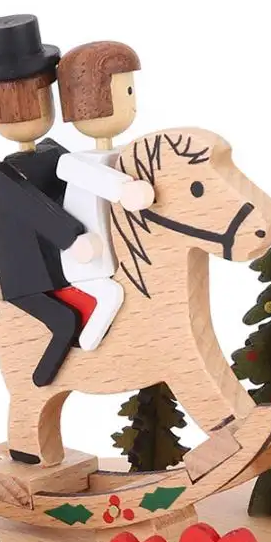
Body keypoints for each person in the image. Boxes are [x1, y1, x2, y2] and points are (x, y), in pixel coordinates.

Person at [0, 14, 98, 400]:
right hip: (29, 281)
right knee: (66, 320)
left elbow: (80, 183)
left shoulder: (55, 153)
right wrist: (72, 238)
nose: (35, 112)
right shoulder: (0, 175)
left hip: (69, 269)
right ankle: (41, 380)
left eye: (41, 98)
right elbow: (38, 210)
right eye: (23, 104)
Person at [55, 42, 155, 350]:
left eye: (131, 91)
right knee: (112, 295)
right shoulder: (74, 161)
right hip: (87, 259)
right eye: (125, 92)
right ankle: (86, 348)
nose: (131, 103)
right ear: (93, 99)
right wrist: (124, 189)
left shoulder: (125, 152)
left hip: (121, 254)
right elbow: (100, 180)